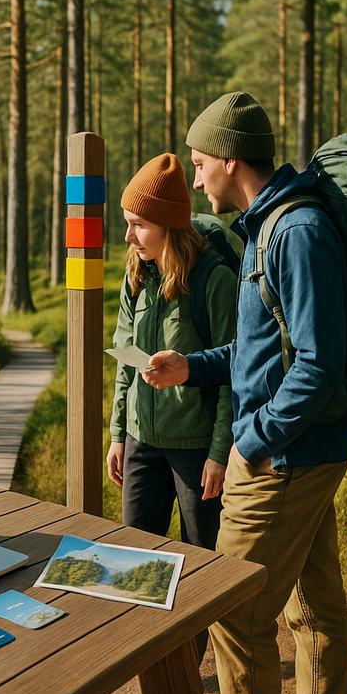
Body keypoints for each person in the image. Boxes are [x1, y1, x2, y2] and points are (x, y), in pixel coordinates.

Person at [143, 92, 347, 694]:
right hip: (300, 450)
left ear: (230, 159)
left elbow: (318, 361)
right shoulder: (269, 227)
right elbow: (262, 350)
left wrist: (252, 441)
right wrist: (192, 366)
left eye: (199, 162)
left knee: (235, 613)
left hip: (283, 458)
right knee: (313, 612)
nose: (195, 177)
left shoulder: (297, 231)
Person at [107, 152, 235, 553]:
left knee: (203, 558)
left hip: (196, 449)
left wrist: (219, 453)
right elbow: (125, 359)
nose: (128, 236)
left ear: (168, 224)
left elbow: (234, 371)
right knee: (135, 557)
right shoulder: (136, 274)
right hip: (140, 441)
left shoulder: (214, 280)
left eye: (138, 225)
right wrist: (117, 435)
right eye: (127, 223)